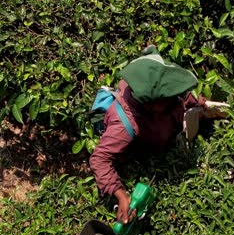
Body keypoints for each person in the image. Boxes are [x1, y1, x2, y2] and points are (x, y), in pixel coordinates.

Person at [89, 47, 227, 224]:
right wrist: (121, 195)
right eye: (166, 99)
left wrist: (204, 104)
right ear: (149, 104)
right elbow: (99, 159)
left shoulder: (153, 89)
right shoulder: (125, 125)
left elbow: (179, 97)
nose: (172, 100)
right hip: (148, 144)